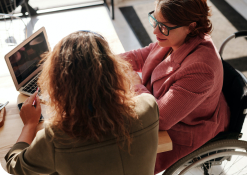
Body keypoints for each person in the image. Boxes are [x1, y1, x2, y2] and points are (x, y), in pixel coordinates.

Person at [5, 31, 159, 175]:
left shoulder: (56, 137)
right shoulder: (149, 106)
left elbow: (15, 166)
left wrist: (29, 124)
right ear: (114, 70)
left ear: (59, 83)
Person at [120, 0, 230, 174]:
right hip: (166, 109)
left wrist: (135, 83)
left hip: (182, 132)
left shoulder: (201, 69)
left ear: (191, 26)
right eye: (154, 20)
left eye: (163, 26)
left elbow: (160, 120)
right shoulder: (176, 38)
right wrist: (101, 60)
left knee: (119, 154)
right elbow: (142, 55)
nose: (155, 30)